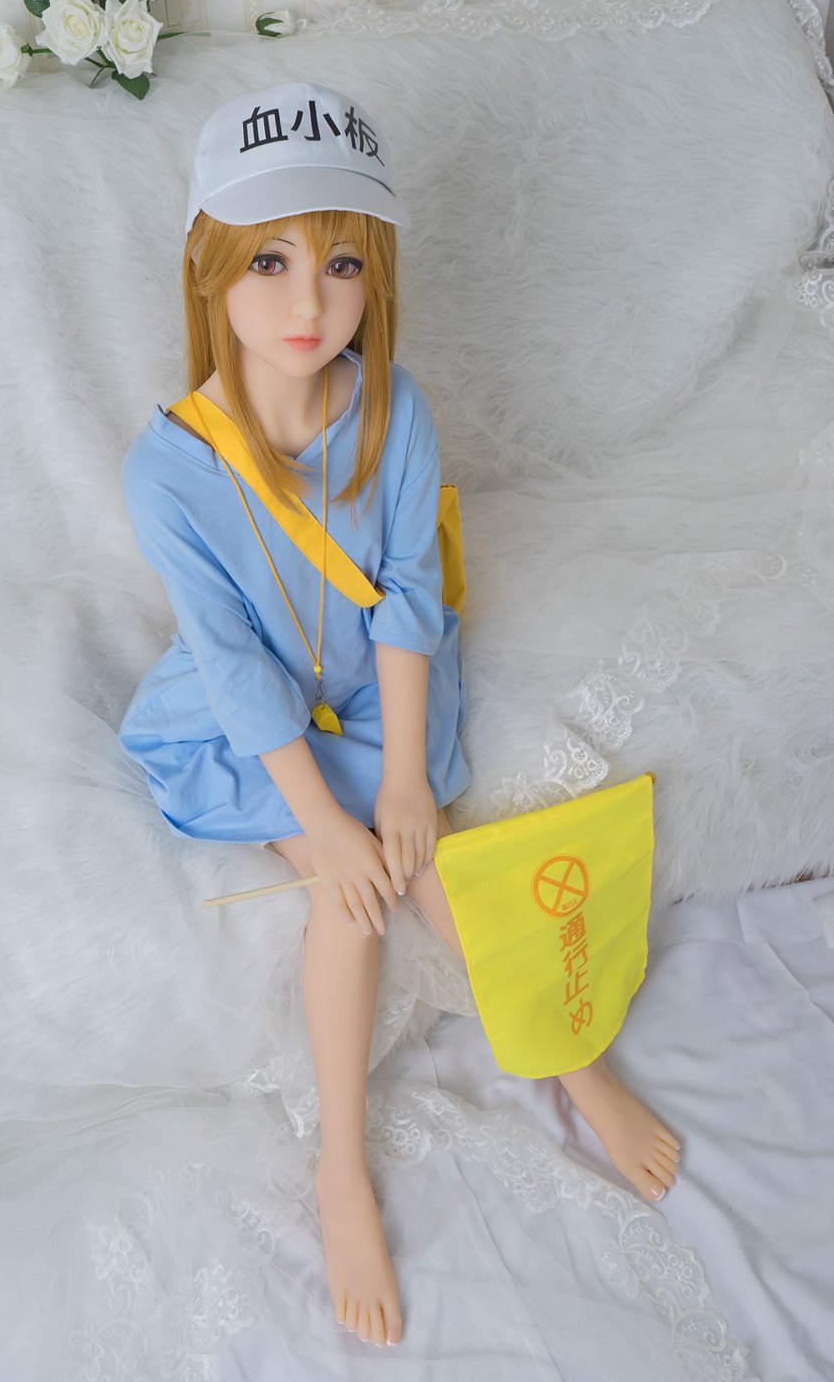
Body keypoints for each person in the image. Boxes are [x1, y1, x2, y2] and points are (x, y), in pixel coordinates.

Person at [117, 80, 680, 1350]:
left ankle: (573, 1064)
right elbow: (233, 665)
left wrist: (411, 777)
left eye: (341, 263)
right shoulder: (167, 470)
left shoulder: (396, 408)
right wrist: (323, 824)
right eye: (267, 260)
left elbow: (411, 595)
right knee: (350, 890)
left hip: (378, 687)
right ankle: (338, 1170)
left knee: (432, 857)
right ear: (209, 268)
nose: (307, 304)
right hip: (249, 716)